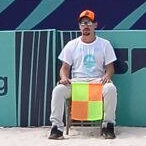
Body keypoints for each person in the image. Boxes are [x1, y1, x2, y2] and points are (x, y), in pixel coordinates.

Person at [50, 8, 119, 138]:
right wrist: (64, 77)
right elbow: (64, 68)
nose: (85, 26)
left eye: (88, 22)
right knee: (58, 90)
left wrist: (107, 76)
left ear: (95, 25)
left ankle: (108, 125)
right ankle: (57, 127)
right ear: (79, 26)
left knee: (110, 89)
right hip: (77, 83)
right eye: (82, 23)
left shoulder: (105, 44)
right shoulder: (71, 45)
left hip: (97, 82)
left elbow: (110, 68)